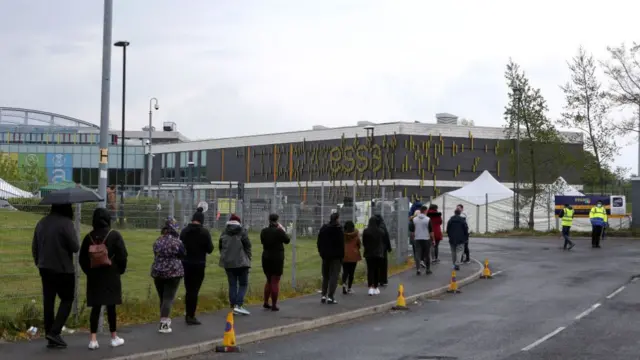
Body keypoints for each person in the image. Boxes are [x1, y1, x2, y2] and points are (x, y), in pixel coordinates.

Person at [79, 208, 128, 350]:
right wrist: (119, 270)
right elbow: (123, 256)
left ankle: (93, 339)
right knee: (111, 306)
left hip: (94, 276)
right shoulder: (114, 235)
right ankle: (113, 337)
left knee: (96, 307)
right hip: (111, 275)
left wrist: (89, 271)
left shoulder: (88, 237)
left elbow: (82, 259)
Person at [31, 204, 79, 348]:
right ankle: (55, 331)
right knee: (67, 299)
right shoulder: (66, 223)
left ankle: (50, 334)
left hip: (45, 267)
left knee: (49, 301)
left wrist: (38, 262)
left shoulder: (41, 223)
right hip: (63, 268)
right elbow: (75, 247)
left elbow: (35, 246)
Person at [180, 207, 214, 325]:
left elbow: (180, 247)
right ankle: (191, 315)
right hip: (199, 264)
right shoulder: (204, 232)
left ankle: (188, 311)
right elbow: (210, 249)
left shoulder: (184, 231)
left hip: (186, 263)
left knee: (188, 289)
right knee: (194, 290)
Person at [151, 217, 185, 334]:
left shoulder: (158, 241)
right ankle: (164, 324)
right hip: (173, 273)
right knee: (168, 298)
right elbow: (183, 254)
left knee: (163, 298)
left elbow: (155, 253)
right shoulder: (177, 242)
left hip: (157, 272)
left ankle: (163, 318)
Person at [219, 214, 252, 315]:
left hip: (228, 262)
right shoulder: (242, 231)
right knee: (243, 284)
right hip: (242, 262)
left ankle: (233, 305)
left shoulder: (224, 232)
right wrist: (248, 258)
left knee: (232, 284)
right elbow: (248, 245)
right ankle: (238, 305)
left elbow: (220, 247)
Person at [260, 213, 290, 311]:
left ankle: (265, 302)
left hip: (266, 257)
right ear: (277, 220)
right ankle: (274, 304)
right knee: (275, 281)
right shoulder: (279, 231)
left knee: (268, 280)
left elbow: (262, 241)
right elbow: (287, 240)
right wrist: (281, 229)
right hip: (277, 258)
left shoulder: (264, 231)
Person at [317, 212, 344, 304]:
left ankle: (323, 295)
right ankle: (331, 296)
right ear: (337, 219)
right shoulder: (338, 230)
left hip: (325, 256)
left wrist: (321, 252)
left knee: (325, 276)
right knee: (334, 276)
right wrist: (341, 256)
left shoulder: (324, 228)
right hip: (336, 257)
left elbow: (319, 241)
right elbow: (341, 244)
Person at [363, 216, 385, 295]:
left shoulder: (366, 231)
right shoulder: (380, 231)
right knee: (376, 270)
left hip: (369, 253)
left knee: (370, 270)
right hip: (378, 253)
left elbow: (364, 243)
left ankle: (370, 287)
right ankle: (375, 286)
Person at [341, 220, 362, 294]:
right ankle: (349, 288)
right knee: (351, 273)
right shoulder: (356, 234)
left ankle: (344, 285)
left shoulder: (343, 235)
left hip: (344, 255)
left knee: (345, 271)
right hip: (354, 255)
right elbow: (359, 244)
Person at [412, 205, 433, 275]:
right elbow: (431, 231)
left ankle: (418, 269)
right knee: (427, 254)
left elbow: (413, 231)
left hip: (417, 238)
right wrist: (433, 240)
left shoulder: (414, 219)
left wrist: (413, 237)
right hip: (426, 238)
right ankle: (428, 269)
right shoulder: (428, 219)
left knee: (417, 254)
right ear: (425, 211)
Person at [374, 214, 392, 286]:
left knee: (376, 265)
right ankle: (383, 280)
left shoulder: (373, 226)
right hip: (383, 248)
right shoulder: (383, 226)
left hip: (375, 249)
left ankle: (376, 280)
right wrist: (389, 247)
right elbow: (387, 237)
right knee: (383, 265)